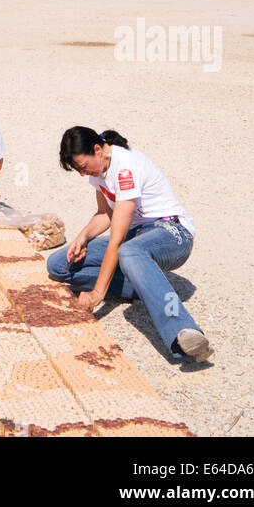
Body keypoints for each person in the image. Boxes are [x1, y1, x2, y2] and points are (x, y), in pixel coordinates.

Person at [46, 125, 212, 362]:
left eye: (83, 167)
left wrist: (96, 294)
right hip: (138, 235)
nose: (83, 174)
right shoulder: (99, 171)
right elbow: (105, 214)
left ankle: (182, 332)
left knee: (129, 251)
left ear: (97, 149)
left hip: (172, 233)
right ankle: (148, 285)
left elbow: (117, 238)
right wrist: (82, 237)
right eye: (78, 170)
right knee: (59, 264)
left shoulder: (125, 169)